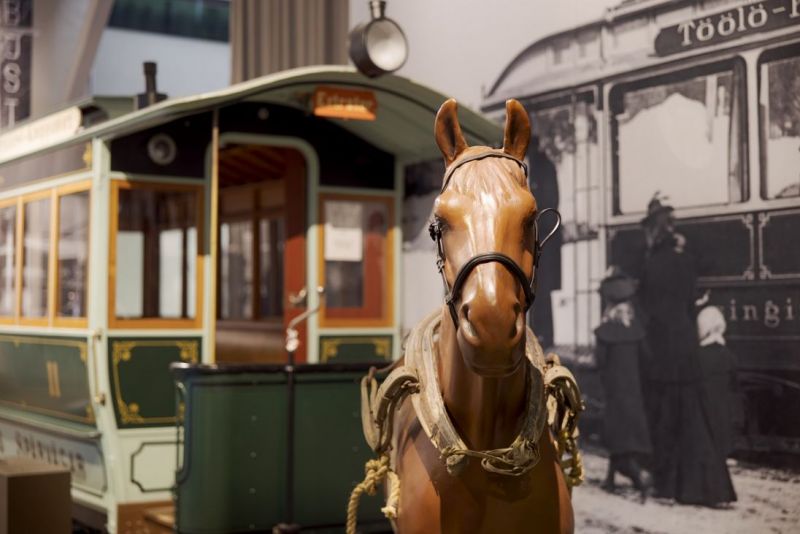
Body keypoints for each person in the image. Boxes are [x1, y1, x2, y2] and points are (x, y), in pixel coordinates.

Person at [637, 194, 698, 499]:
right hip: (685, 348)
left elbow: (645, 308)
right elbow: (690, 302)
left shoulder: (651, 265)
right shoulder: (685, 261)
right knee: (685, 415)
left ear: (653, 231)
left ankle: (664, 483)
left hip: (660, 351)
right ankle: (687, 485)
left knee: (661, 418)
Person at [594, 266, 653, 502]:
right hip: (634, 390)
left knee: (619, 437)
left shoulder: (604, 333)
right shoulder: (637, 332)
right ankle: (610, 479)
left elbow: (600, 362)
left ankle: (639, 479)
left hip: (614, 390)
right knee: (626, 433)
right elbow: (647, 358)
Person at [671, 305, 738, 506]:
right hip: (720, 412)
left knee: (698, 450)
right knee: (716, 453)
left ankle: (694, 493)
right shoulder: (728, 356)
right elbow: (734, 386)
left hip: (698, 411)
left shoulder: (697, 356)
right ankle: (720, 494)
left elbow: (685, 384)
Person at [528, 135, 561, 348]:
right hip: (532, 238)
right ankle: (534, 334)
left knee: (541, 290)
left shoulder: (544, 166)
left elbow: (550, 203)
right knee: (531, 288)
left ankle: (544, 337)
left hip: (544, 239)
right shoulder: (529, 165)